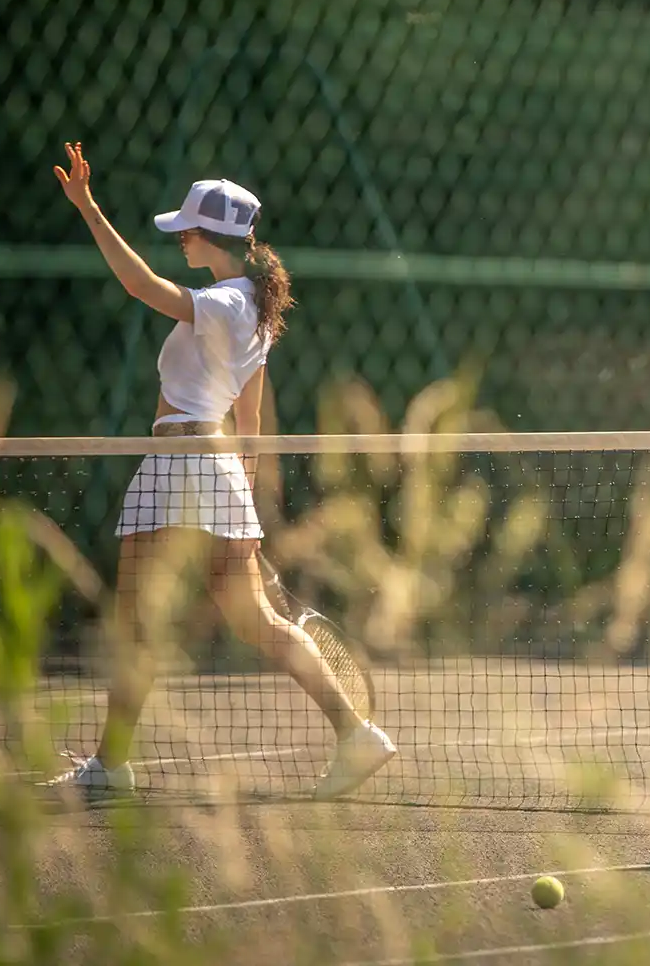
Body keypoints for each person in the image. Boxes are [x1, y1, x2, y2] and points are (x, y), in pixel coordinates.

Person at [43, 143, 396, 800]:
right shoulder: (255, 312)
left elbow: (140, 287)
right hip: (213, 467)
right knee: (253, 622)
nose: (180, 238)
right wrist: (243, 504)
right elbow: (253, 422)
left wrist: (88, 209)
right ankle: (356, 733)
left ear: (213, 237)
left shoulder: (228, 303)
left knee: (137, 616)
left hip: (182, 460)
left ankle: (111, 767)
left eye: (187, 230)